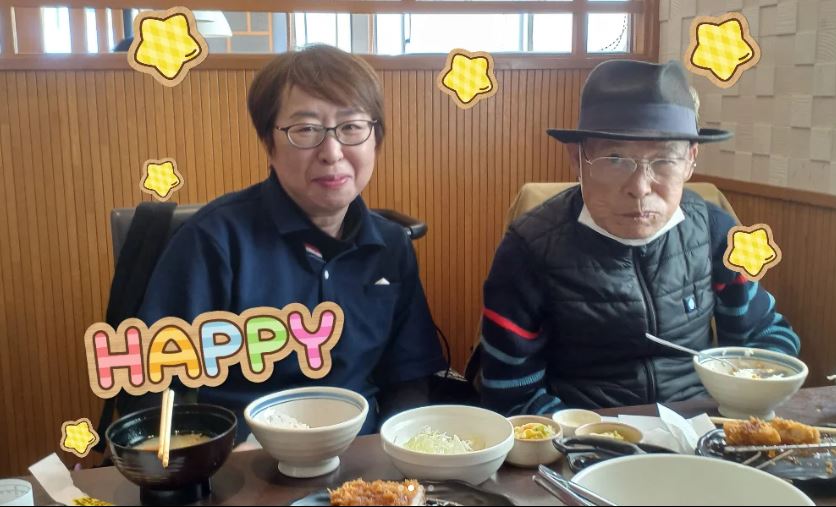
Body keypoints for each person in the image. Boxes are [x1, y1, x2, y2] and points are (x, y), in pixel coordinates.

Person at [132, 45, 448, 439]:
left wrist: (393, 451)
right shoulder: (213, 241)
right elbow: (155, 387)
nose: (332, 153)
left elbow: (408, 378)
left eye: (351, 127)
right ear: (269, 143)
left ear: (375, 139)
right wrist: (217, 455)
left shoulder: (391, 245)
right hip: (241, 458)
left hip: (360, 457)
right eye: (306, 130)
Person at [478, 59, 800, 416]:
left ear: (690, 160)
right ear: (578, 158)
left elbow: (764, 336)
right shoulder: (528, 249)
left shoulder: (715, 230)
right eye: (615, 159)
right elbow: (510, 392)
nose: (640, 187)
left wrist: (751, 390)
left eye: (664, 160)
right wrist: (591, 436)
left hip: (701, 425)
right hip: (585, 431)